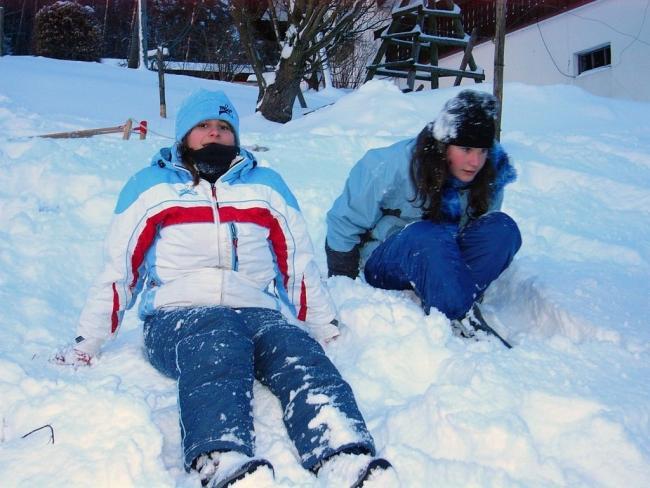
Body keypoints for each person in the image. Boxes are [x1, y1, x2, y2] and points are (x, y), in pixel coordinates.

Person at [53, 89, 395, 487]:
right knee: (216, 340)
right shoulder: (152, 188)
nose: (214, 134)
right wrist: (86, 342)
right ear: (184, 134)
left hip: (256, 311)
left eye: (223, 127)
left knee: (300, 352)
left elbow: (297, 264)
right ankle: (221, 459)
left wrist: (325, 326)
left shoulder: (265, 187)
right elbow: (119, 270)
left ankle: (344, 454)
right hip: (177, 316)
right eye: (203, 126)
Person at [325, 90, 521, 341]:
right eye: (466, 148)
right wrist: (343, 282)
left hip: (444, 257)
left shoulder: (489, 175)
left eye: (482, 151)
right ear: (444, 144)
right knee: (428, 235)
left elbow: (481, 233)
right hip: (390, 259)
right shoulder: (392, 165)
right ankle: (459, 310)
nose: (474, 161)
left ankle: (455, 293)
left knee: (502, 229)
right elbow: (345, 219)